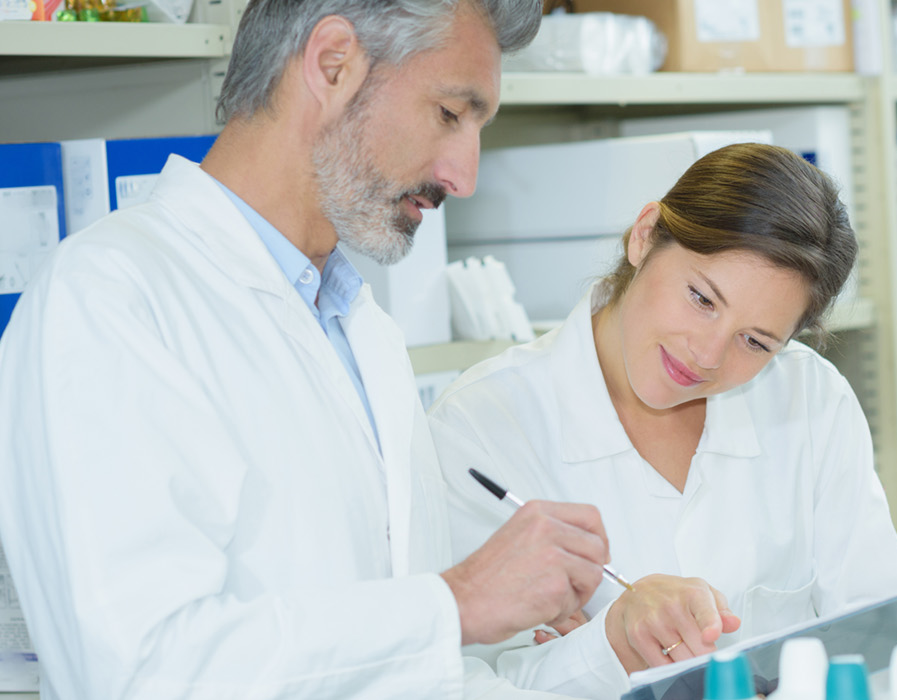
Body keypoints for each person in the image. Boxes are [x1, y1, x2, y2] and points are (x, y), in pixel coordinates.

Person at [0, 1, 618, 697]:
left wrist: (617, 659)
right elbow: (141, 672)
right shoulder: (109, 299)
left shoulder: (362, 332)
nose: (463, 176)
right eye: (450, 113)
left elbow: (413, 676)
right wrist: (456, 603)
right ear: (333, 64)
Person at [428, 142, 897, 700]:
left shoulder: (809, 400)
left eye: (756, 341)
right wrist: (609, 645)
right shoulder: (480, 426)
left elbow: (885, 639)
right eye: (701, 298)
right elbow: (452, 681)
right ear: (645, 235)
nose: (708, 355)